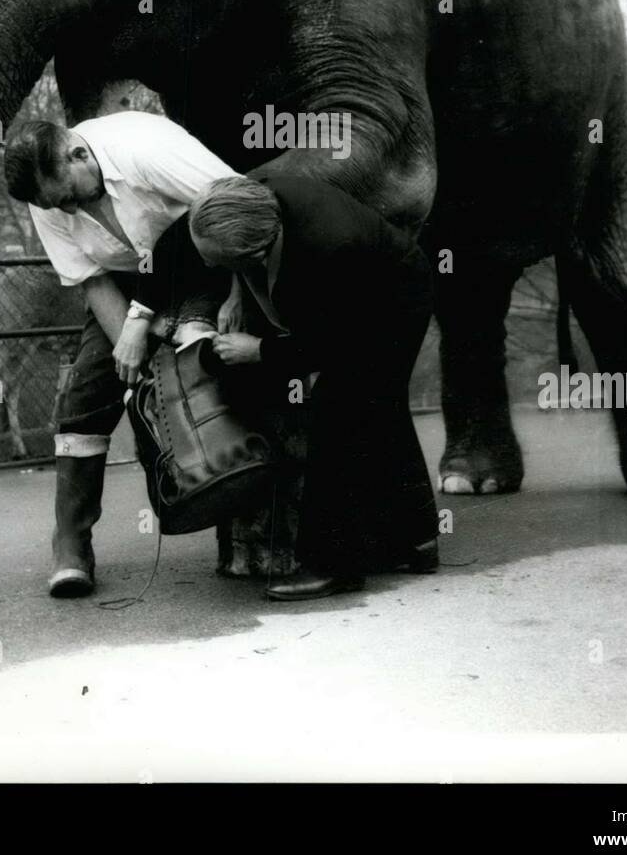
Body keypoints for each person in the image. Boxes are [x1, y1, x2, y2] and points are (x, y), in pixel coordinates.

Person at [3, 110, 239, 597]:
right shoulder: (46, 197)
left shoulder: (144, 148)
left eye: (68, 198)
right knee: (85, 398)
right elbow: (91, 278)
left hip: (208, 264)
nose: (66, 212)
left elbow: (238, 208)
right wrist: (134, 356)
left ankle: (228, 495)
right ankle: (71, 544)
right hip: (125, 287)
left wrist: (239, 296)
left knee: (199, 368)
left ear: (79, 153)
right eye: (56, 207)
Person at [188, 172, 440, 600]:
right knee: (382, 407)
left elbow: (335, 346)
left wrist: (260, 351)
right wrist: (235, 290)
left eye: (221, 261)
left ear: (256, 249)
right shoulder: (251, 193)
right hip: (365, 286)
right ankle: (414, 540)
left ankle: (332, 564)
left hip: (394, 302)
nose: (209, 266)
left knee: (338, 409)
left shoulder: (327, 249)